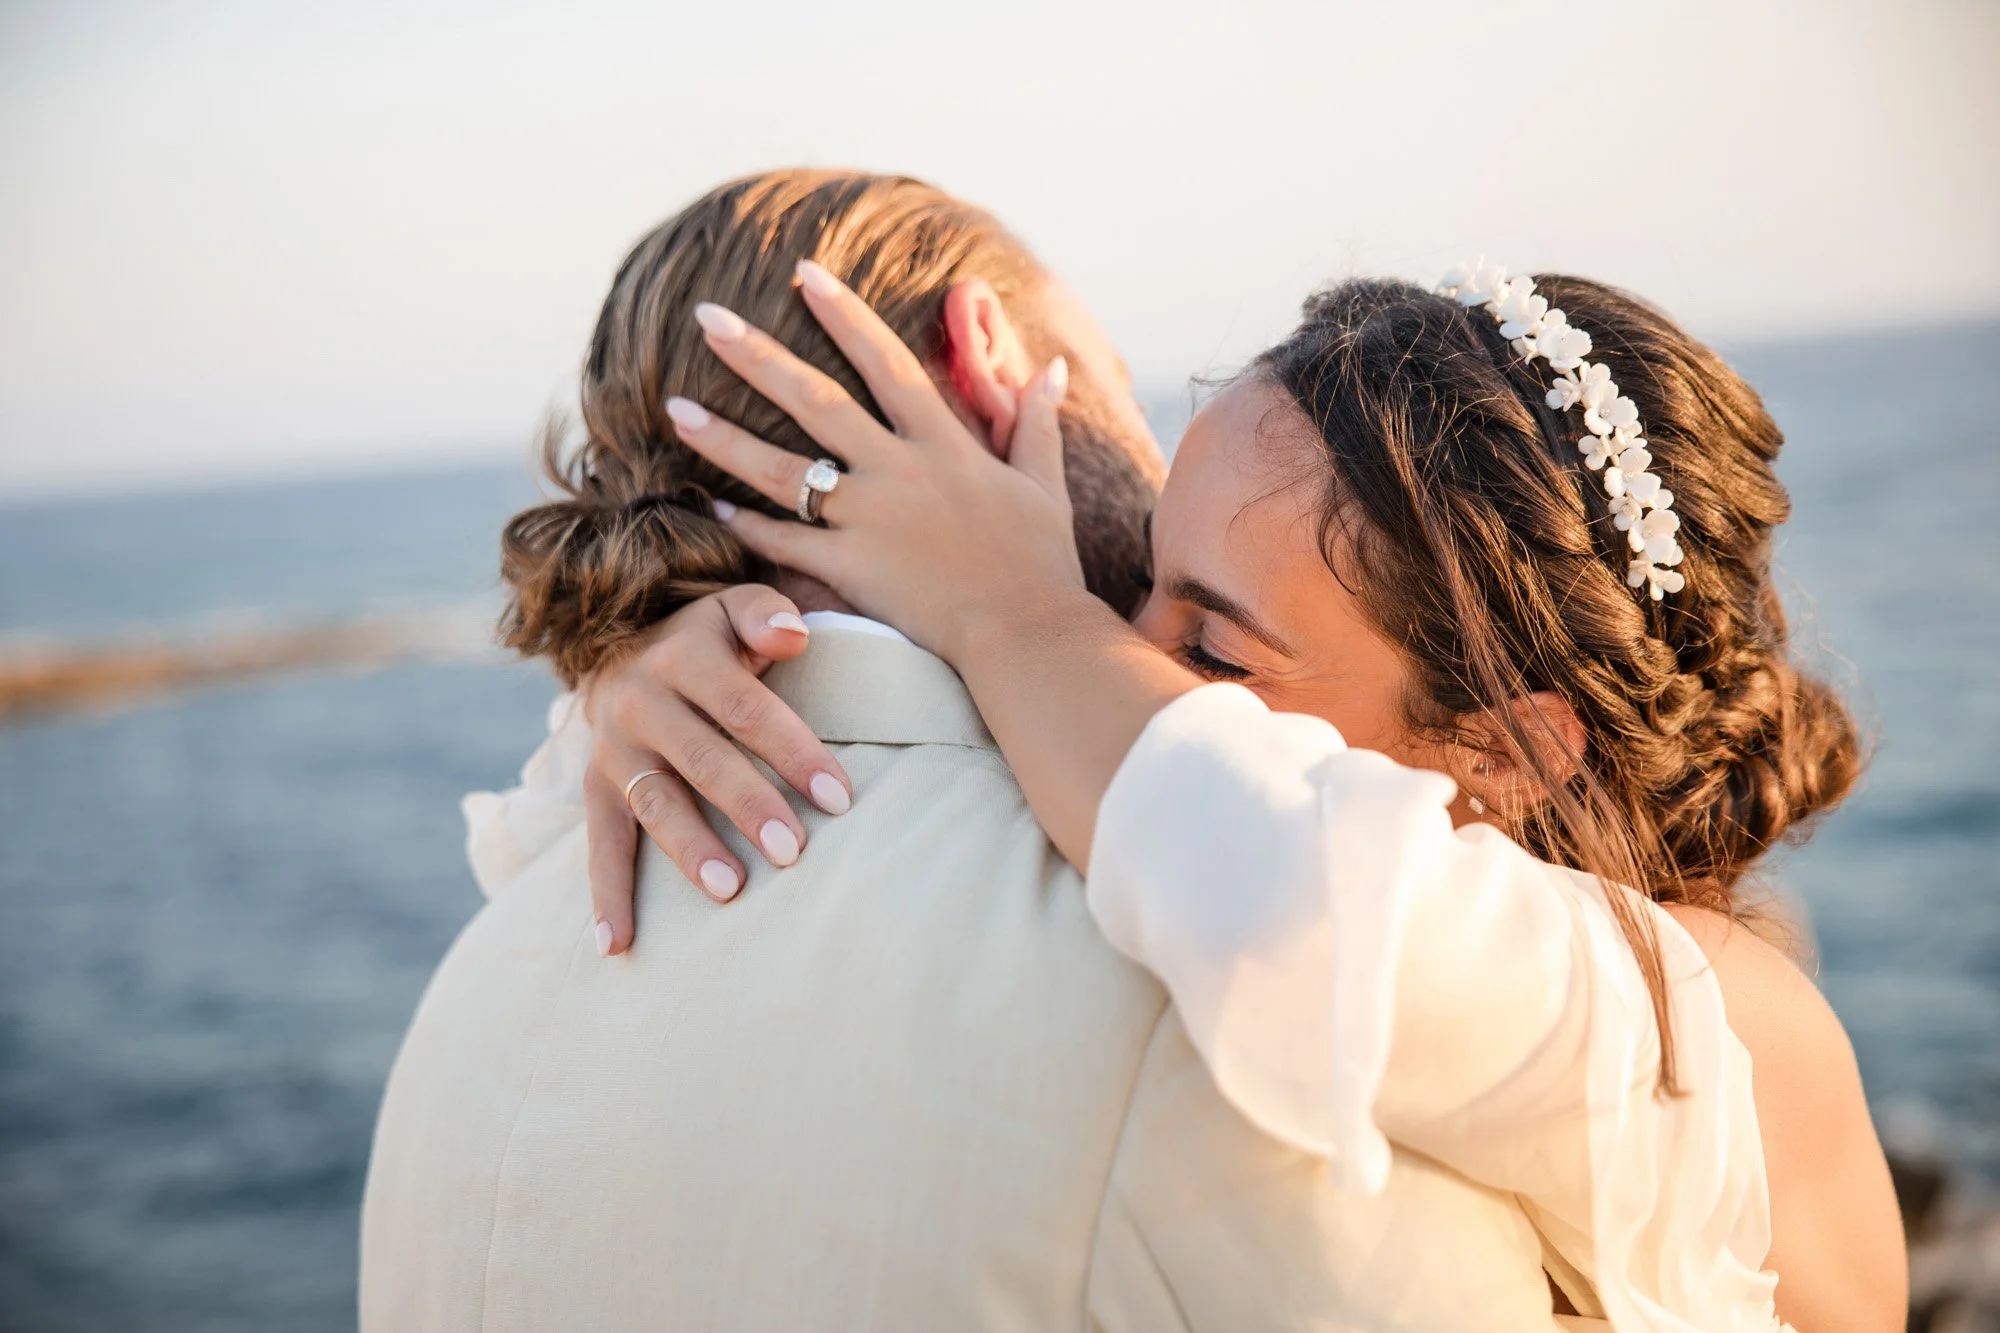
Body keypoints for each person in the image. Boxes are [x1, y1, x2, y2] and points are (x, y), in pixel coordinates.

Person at [579, 261, 1909, 1329]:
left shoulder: (1708, 1005)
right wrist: (669, 665)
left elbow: (1266, 885)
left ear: (1507, 750)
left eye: (1211, 650)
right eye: (1129, 589)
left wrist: (1012, 610)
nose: (1122, 658)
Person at [360, 171, 1579, 1331]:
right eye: (1114, 380)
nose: (1152, 460)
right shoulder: (1207, 972)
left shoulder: (476, 978)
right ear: (986, 359)